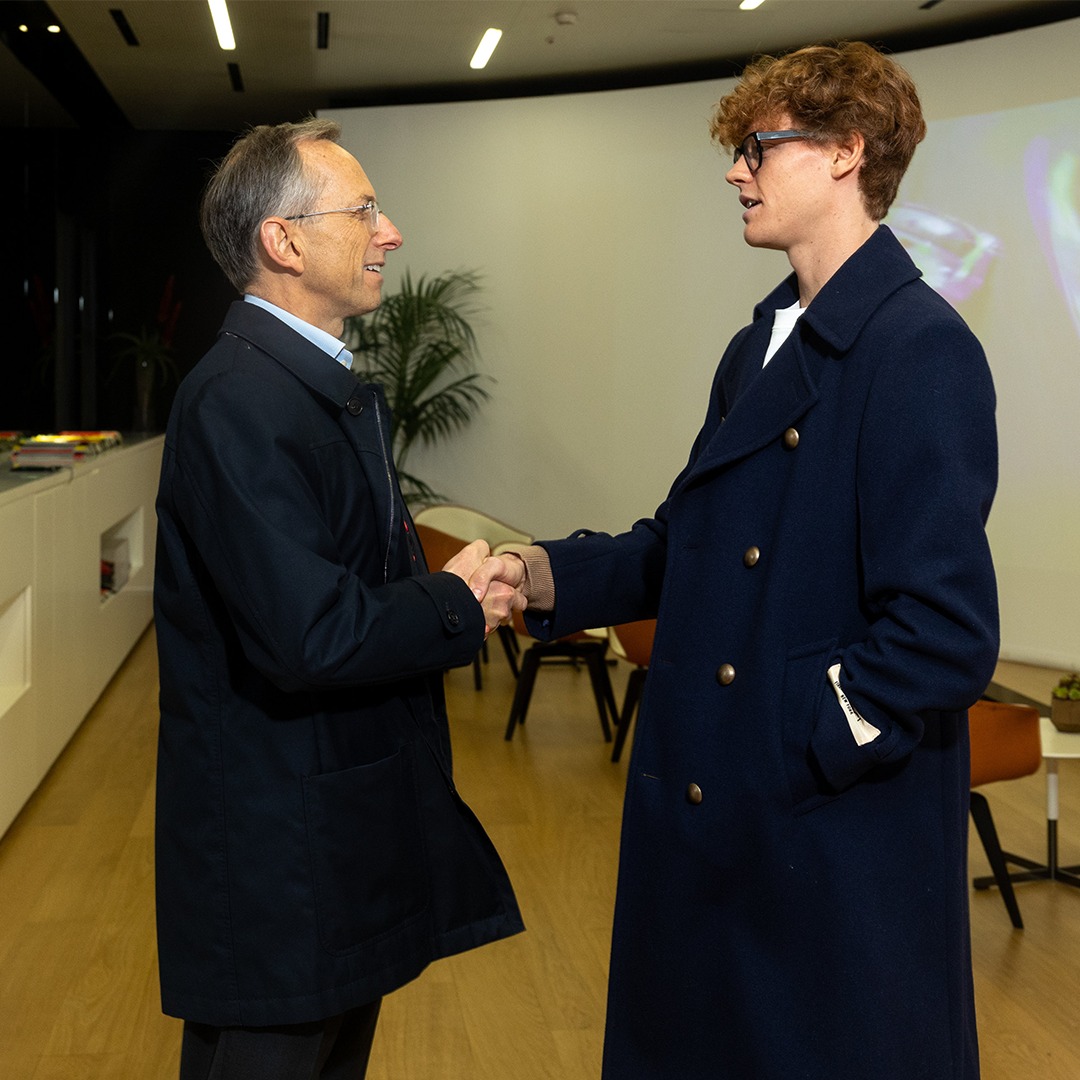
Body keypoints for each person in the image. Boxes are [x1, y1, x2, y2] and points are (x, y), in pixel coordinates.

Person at [488, 41, 999, 1079]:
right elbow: (692, 545)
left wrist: (801, 735)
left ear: (847, 153)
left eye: (758, 147)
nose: (735, 172)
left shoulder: (920, 348)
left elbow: (943, 634)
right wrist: (546, 576)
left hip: (818, 832)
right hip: (714, 814)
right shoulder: (760, 342)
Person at [153, 118, 525, 1080]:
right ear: (284, 241)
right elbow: (310, 633)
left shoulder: (303, 386)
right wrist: (452, 601)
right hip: (280, 867)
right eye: (363, 210)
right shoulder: (239, 398)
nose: (389, 231)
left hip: (329, 846)